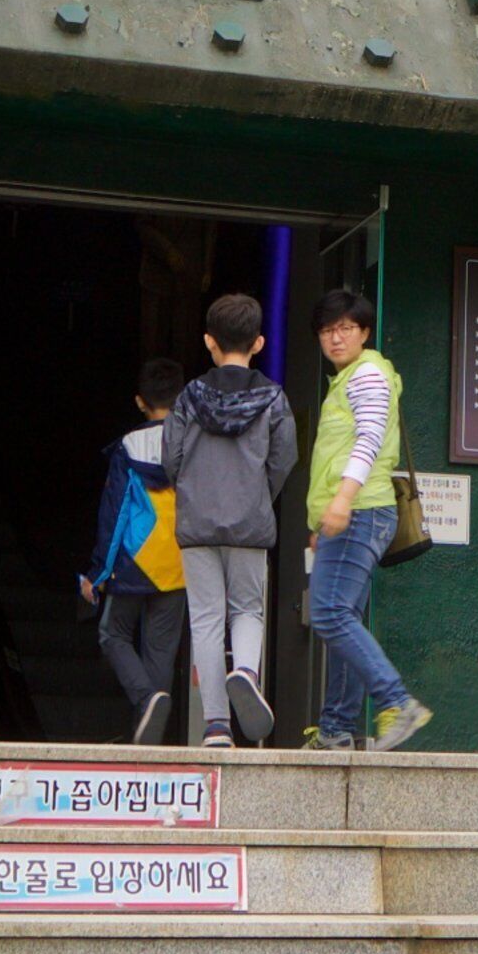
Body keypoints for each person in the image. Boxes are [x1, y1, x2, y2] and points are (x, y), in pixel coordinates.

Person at [304, 286, 431, 750]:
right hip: (346, 515)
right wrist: (324, 519)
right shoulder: (347, 379)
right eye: (327, 330)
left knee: (330, 612)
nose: (336, 338)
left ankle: (398, 703)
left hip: (359, 510)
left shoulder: (368, 376)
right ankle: (336, 728)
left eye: (346, 328)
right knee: (344, 615)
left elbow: (370, 438)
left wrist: (342, 500)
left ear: (364, 333)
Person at [166, 294, 294, 749]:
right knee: (247, 609)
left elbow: (172, 460)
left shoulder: (187, 397)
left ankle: (216, 726)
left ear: (208, 342)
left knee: (204, 619)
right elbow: (283, 460)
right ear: (258, 343)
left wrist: (195, 494)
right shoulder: (273, 399)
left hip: (197, 523)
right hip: (249, 523)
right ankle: (246, 670)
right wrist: (258, 498)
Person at [80, 355, 187, 746]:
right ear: (182, 402)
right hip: (180, 563)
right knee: (161, 651)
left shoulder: (128, 447)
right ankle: (150, 744)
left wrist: (98, 572)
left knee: (112, 634)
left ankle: (146, 701)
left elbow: (115, 512)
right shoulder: (193, 443)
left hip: (133, 561)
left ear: (140, 402)